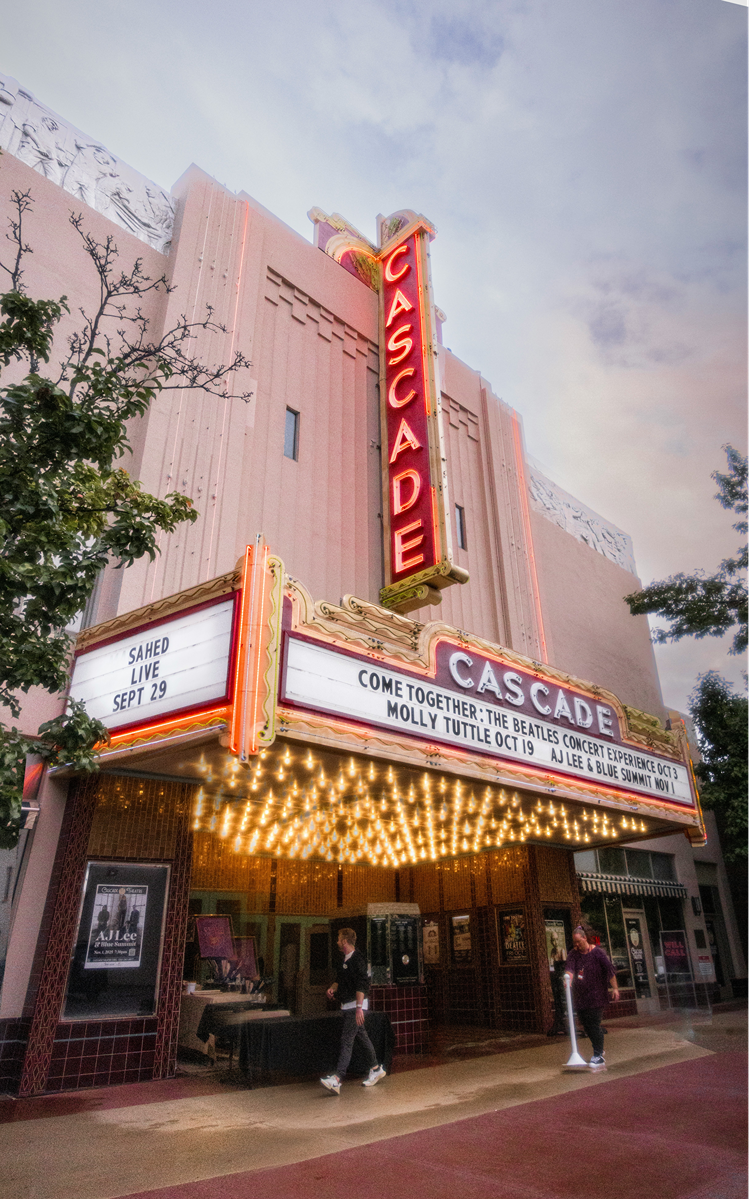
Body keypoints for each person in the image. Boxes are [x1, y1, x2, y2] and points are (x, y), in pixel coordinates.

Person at [320, 928, 386, 1095]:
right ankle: (376, 1068)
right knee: (362, 1036)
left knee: (347, 1039)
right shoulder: (345, 959)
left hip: (355, 1006)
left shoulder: (358, 960)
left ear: (344, 941)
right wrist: (332, 989)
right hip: (347, 1004)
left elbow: (362, 984)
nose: (336, 942)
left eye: (338, 939)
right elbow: (339, 980)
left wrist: (358, 1008)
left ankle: (337, 1079)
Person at [564, 922, 619, 1070]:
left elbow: (609, 971)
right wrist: (567, 978)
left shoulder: (598, 953)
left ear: (585, 939)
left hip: (597, 995)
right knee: (586, 1025)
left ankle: (598, 1055)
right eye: (574, 942)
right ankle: (599, 1048)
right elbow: (570, 969)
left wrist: (615, 988)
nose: (576, 945)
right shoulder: (573, 954)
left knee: (594, 1024)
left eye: (579, 942)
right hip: (581, 997)